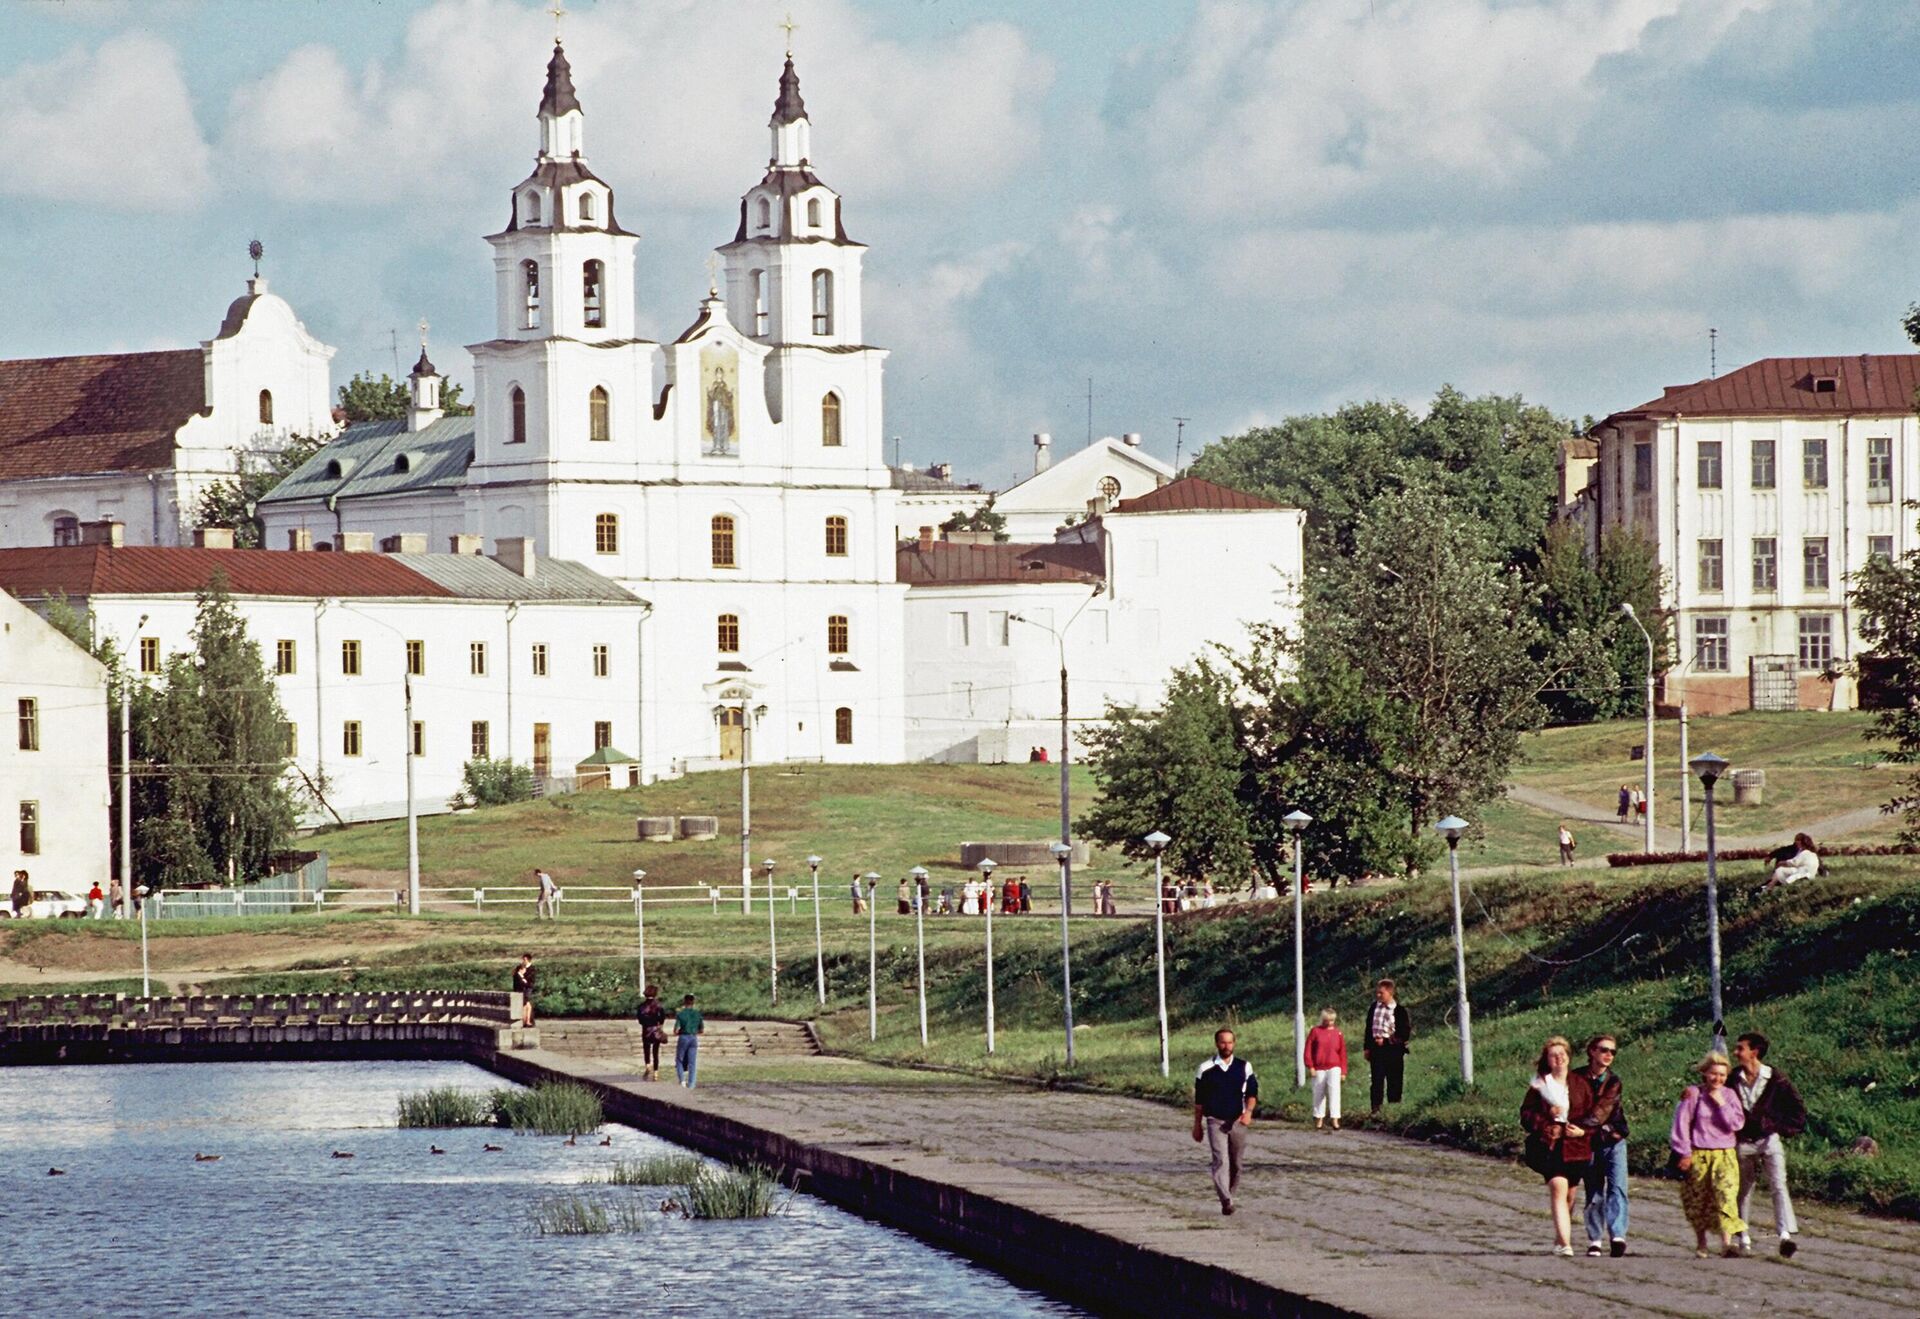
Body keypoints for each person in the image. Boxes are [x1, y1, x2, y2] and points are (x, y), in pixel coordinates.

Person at [1732, 1031, 1806, 1258]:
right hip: (1743, 1142)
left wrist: (1778, 1127)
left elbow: (1797, 1110)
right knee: (1743, 1189)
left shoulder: (1776, 1079)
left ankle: (1784, 1235)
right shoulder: (1733, 1078)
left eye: (1740, 1048)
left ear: (1754, 1052)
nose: (1736, 1053)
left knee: (1778, 1184)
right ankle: (1742, 1235)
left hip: (1769, 1140)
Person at [1671, 1051, 1747, 1257]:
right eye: (1714, 1074)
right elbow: (1681, 1125)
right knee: (1698, 1200)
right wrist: (1684, 1153)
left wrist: (1720, 1103)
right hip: (1699, 1154)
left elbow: (1736, 1123)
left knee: (1726, 1196)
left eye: (1722, 1075)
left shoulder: (1730, 1095)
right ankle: (1701, 1243)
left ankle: (1726, 1244)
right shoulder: (1693, 1094)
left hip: (1725, 1154)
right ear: (1705, 1073)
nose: (1718, 1079)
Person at [1520, 1035, 1590, 1257]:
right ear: (1547, 1060)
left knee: (1570, 1195)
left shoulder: (1581, 1084)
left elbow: (1591, 1115)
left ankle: (1560, 1238)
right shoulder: (1540, 1085)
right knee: (1558, 1187)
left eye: (1563, 1054)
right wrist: (1547, 1118)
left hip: (1576, 1148)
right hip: (1549, 1147)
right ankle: (1565, 1244)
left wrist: (1582, 1131)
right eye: (1553, 1055)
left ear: (1569, 1057)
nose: (1559, 1058)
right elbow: (1526, 1116)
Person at [1190, 1027, 1259, 1215]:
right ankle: (1226, 1200)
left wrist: (1249, 1113)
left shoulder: (1244, 1067)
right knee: (1221, 1160)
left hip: (1237, 1121)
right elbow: (1199, 1101)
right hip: (1215, 1121)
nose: (1226, 1046)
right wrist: (1197, 1125)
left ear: (1234, 1044)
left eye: (1230, 1042)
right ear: (1216, 1044)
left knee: (1236, 1163)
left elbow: (1252, 1093)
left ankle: (1230, 1194)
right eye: (1223, 1042)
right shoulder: (1205, 1069)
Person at [1575, 1034, 1630, 1257]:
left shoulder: (1613, 1081)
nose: (1608, 1055)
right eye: (1604, 1050)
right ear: (1591, 1052)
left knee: (1617, 1187)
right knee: (1593, 1190)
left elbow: (1602, 1112)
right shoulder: (1576, 1078)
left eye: (1612, 1052)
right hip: (1589, 1142)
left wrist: (1579, 1128)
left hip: (1612, 1139)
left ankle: (1618, 1235)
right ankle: (1595, 1239)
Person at [1363, 978, 1412, 1115]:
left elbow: (1404, 1033)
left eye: (1381, 993)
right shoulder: (1374, 1008)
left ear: (1390, 993)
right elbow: (1369, 1028)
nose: (1378, 996)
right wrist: (1367, 1047)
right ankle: (1376, 1109)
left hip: (1393, 1051)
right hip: (1376, 1050)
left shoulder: (1399, 1011)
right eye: (1377, 993)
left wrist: (1386, 1041)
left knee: (1394, 1080)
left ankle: (1394, 1110)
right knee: (1377, 1080)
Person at [1305, 1008, 1348, 1130]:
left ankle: (1335, 1119)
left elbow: (1342, 1053)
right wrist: (1311, 1066)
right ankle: (1319, 1119)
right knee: (1318, 1093)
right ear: (1322, 1020)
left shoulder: (1338, 1033)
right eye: (1327, 1020)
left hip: (1334, 1066)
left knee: (1334, 1092)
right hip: (1319, 1067)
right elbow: (1308, 1050)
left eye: (1332, 1020)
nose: (1330, 1023)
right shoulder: (1315, 1031)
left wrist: (1343, 1071)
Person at [636, 984, 668, 1082]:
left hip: (646, 1030)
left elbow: (640, 1020)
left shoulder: (641, 1006)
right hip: (655, 1030)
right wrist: (660, 1026)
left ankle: (648, 1065)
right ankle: (656, 1073)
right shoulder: (658, 1006)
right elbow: (662, 1018)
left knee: (646, 1049)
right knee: (656, 1052)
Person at [673, 993, 704, 1088]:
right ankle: (691, 1084)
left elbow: (675, 1030)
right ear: (693, 1002)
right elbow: (701, 1030)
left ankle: (682, 1080)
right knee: (692, 1062)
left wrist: (680, 1032)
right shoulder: (698, 1014)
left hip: (683, 1036)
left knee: (679, 1060)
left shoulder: (680, 1014)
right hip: (693, 1037)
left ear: (684, 1002)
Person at [512, 953, 536, 1027]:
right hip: (519, 988)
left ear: (528, 960)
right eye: (523, 959)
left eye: (524, 959)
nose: (523, 961)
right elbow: (514, 975)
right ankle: (526, 1020)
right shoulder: (519, 967)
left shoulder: (532, 969)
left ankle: (527, 1020)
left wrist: (522, 976)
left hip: (527, 988)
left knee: (526, 1003)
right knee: (524, 1004)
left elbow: (529, 981)